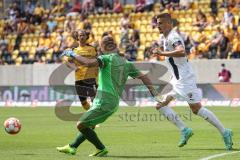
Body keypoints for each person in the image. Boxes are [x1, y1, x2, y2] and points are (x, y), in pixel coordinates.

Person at [57, 35, 162, 156]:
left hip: (104, 100)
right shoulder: (126, 63)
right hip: (111, 101)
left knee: (81, 124)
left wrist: (72, 54)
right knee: (90, 125)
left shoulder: (106, 58)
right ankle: (73, 146)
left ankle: (101, 148)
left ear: (103, 46)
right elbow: (144, 77)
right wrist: (154, 93)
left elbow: (88, 63)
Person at [152, 13, 233, 150]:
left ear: (169, 24)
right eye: (157, 23)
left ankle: (225, 132)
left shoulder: (173, 37)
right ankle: (185, 130)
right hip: (176, 79)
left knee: (196, 109)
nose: (158, 25)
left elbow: (181, 51)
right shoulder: (165, 38)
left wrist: (162, 54)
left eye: (160, 23)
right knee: (160, 105)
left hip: (184, 79)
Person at [63, 29, 98, 111]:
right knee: (84, 103)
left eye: (83, 35)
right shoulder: (74, 50)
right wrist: (74, 68)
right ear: (77, 38)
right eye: (80, 35)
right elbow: (67, 62)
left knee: (94, 100)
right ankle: (91, 115)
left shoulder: (92, 49)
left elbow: (97, 61)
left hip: (91, 78)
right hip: (79, 79)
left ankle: (94, 120)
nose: (82, 37)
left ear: (86, 37)